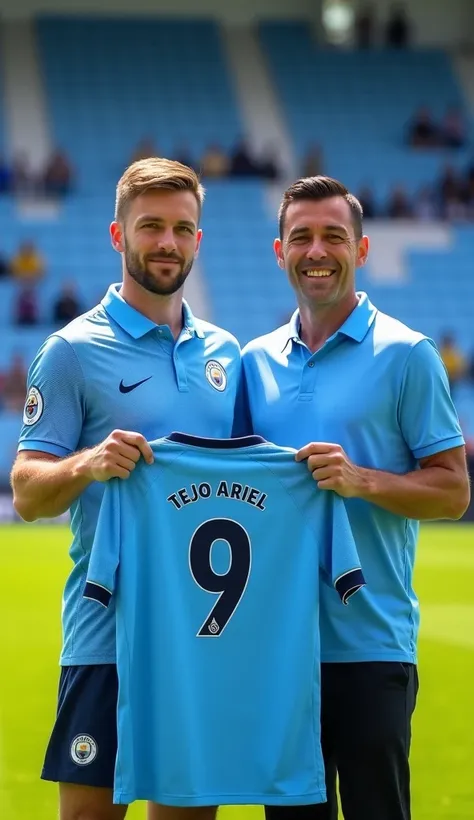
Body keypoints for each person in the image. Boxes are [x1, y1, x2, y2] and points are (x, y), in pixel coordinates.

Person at [10, 157, 241, 820]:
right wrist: (87, 464)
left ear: (198, 239)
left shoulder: (228, 354)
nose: (166, 242)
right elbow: (27, 493)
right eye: (150, 227)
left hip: (202, 636)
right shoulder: (71, 352)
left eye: (181, 228)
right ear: (119, 236)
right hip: (104, 635)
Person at [234, 175, 470, 820]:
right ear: (278, 249)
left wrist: (363, 479)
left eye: (333, 236)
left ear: (361, 249)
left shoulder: (408, 354)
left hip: (371, 644)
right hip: (278, 647)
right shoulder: (253, 363)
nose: (317, 251)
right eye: (301, 237)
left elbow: (452, 490)